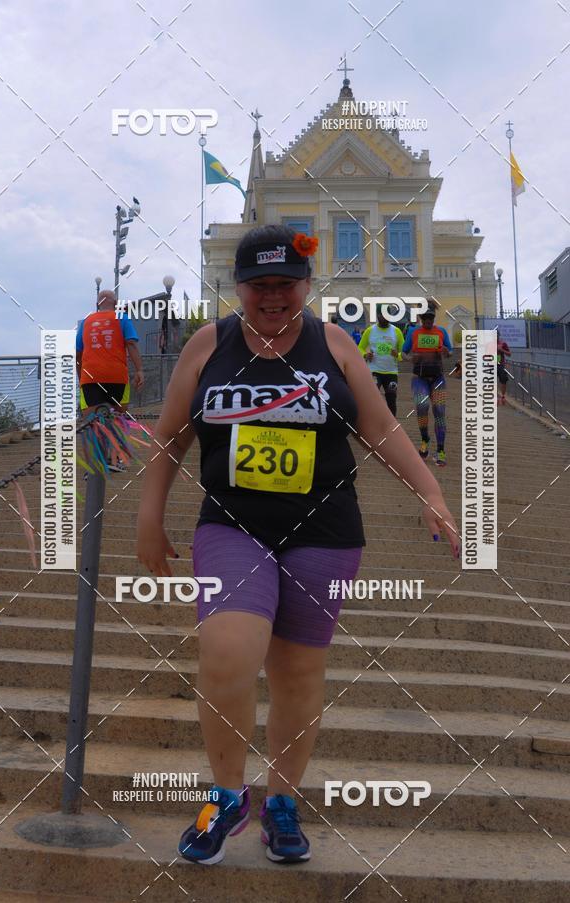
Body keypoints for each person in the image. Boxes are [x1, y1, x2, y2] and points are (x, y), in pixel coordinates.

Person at [136, 225, 459, 867]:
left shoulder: (333, 343)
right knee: (228, 650)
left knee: (298, 673)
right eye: (260, 286)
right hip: (231, 524)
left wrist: (432, 493)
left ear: (307, 287)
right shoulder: (210, 344)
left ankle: (282, 803)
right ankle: (226, 795)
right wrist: (150, 515)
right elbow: (170, 436)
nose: (274, 297)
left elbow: (379, 425)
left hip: (325, 530)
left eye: (287, 284)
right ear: (240, 288)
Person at [76, 289, 145, 469]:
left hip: (90, 378)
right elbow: (131, 343)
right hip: (117, 377)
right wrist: (139, 370)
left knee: (91, 422)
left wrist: (80, 377)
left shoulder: (86, 322)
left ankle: (94, 467)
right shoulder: (121, 318)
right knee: (118, 418)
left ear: (97, 303)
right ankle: (115, 460)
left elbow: (78, 354)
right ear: (116, 303)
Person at [402, 299, 452, 466]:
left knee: (439, 411)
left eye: (431, 318)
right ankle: (424, 439)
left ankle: (441, 449)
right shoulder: (413, 332)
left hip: (438, 378)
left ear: (434, 317)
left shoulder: (442, 332)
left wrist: (445, 352)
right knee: (422, 407)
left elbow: (450, 352)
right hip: (420, 379)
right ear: (421, 318)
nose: (428, 321)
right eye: (425, 318)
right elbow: (403, 353)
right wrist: (410, 358)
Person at [357, 304, 404, 416]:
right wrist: (365, 355)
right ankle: (375, 425)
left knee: (391, 399)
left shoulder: (396, 331)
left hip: (391, 372)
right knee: (372, 399)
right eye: (382, 315)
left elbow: (404, 353)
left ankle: (392, 427)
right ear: (378, 315)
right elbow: (359, 348)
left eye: (388, 315)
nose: (385, 318)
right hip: (374, 371)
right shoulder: (370, 331)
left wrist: (397, 355)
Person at [497, 329, 511, 404]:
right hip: (491, 364)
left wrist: (501, 350)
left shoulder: (503, 343)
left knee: (503, 380)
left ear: (498, 335)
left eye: (496, 335)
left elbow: (509, 354)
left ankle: (502, 397)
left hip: (500, 364)